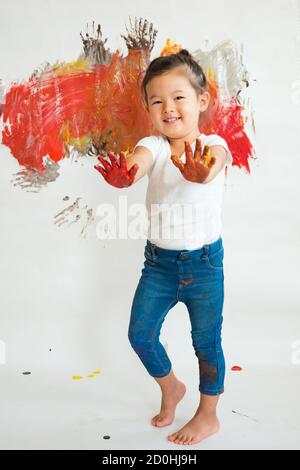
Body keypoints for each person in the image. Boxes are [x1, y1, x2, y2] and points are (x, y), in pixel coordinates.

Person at [94, 49, 233, 446]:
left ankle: (208, 416)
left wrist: (203, 170)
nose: (168, 108)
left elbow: (217, 161)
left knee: (206, 343)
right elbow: (137, 162)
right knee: (140, 334)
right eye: (157, 101)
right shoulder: (153, 145)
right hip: (158, 266)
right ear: (148, 108)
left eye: (178, 97)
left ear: (201, 101)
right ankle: (171, 387)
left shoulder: (213, 144)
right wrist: (126, 175)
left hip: (205, 265)